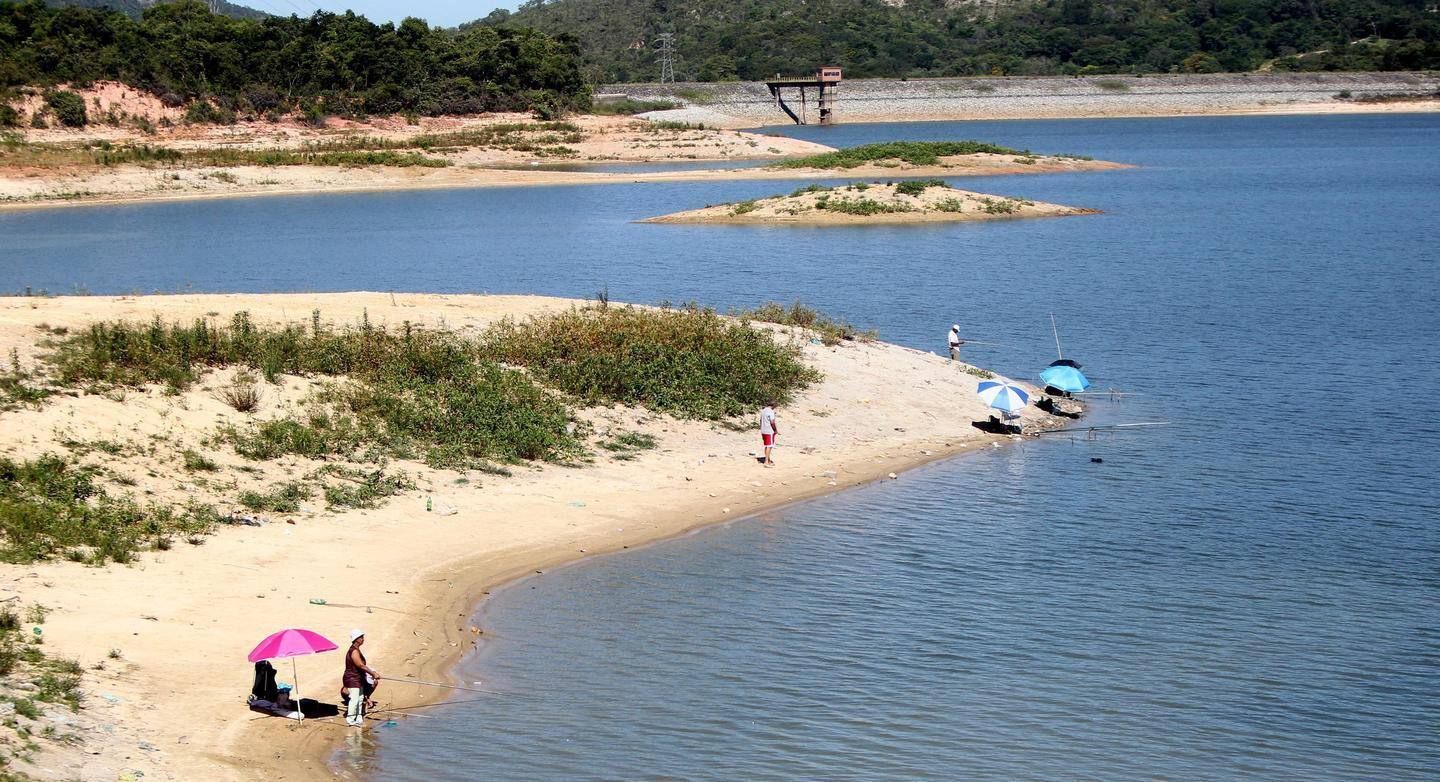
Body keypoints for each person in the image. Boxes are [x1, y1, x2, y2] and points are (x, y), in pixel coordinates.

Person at [343, 629, 380, 727]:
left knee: (360, 698)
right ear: (356, 639)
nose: (363, 639)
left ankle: (358, 717)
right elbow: (360, 665)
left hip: (358, 678)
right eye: (361, 637)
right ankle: (350, 719)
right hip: (352, 678)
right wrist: (373, 673)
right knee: (354, 699)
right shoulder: (354, 651)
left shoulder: (357, 649)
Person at [759, 401, 779, 467]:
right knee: (769, 446)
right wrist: (775, 430)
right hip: (769, 430)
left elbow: (760, 420)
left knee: (767, 445)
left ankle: (768, 460)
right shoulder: (770, 411)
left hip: (763, 430)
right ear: (773, 405)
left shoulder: (763, 410)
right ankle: (766, 461)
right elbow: (772, 422)